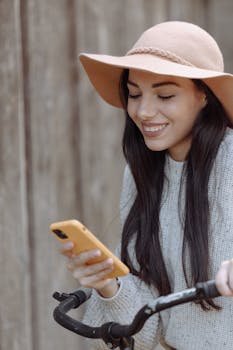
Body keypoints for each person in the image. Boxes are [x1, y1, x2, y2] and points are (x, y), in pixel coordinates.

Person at [61, 21, 233, 349]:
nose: (144, 111)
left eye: (165, 95)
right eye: (134, 94)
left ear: (204, 96)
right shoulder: (142, 172)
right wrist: (109, 284)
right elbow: (143, 332)